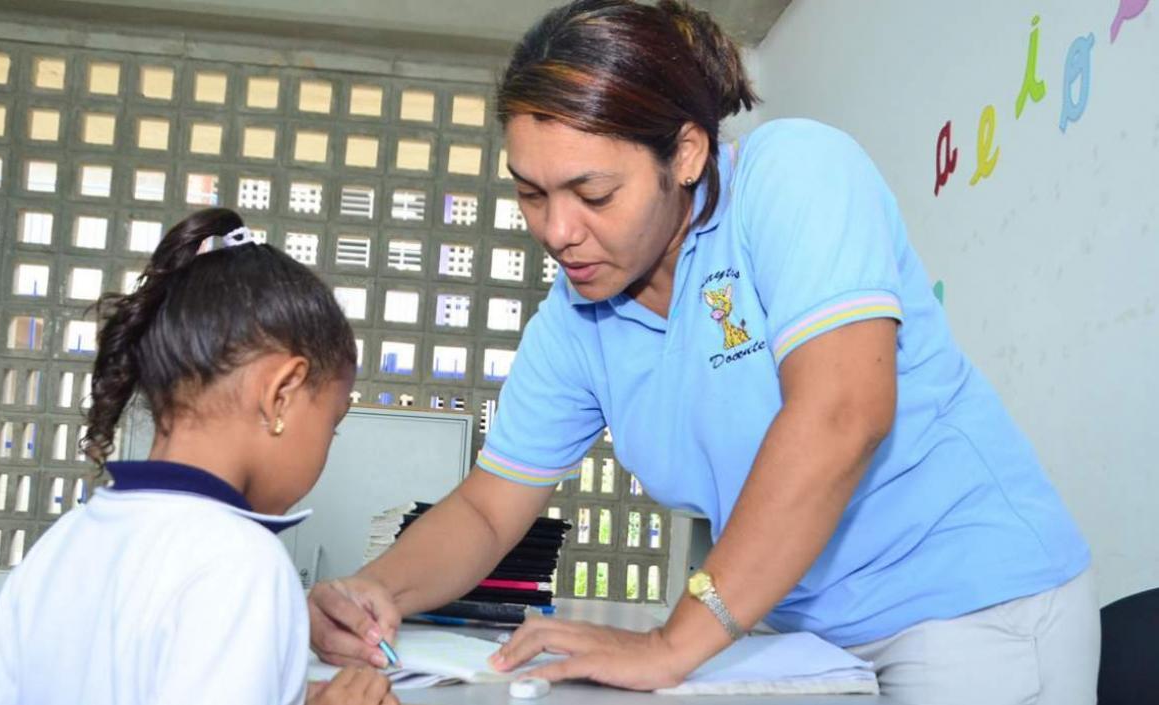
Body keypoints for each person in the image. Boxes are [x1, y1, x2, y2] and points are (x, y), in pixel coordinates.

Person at [306, 2, 1098, 704]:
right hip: (798, 630)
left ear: (686, 154)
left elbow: (842, 414)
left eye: (593, 194)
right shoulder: (574, 320)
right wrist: (377, 592)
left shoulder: (794, 176)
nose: (558, 231)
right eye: (531, 193)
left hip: (968, 607)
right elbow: (488, 507)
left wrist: (671, 643)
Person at [0, 208, 397, 705]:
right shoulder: (242, 562)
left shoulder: (65, 539)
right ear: (281, 395)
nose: (328, 444)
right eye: (332, 423)